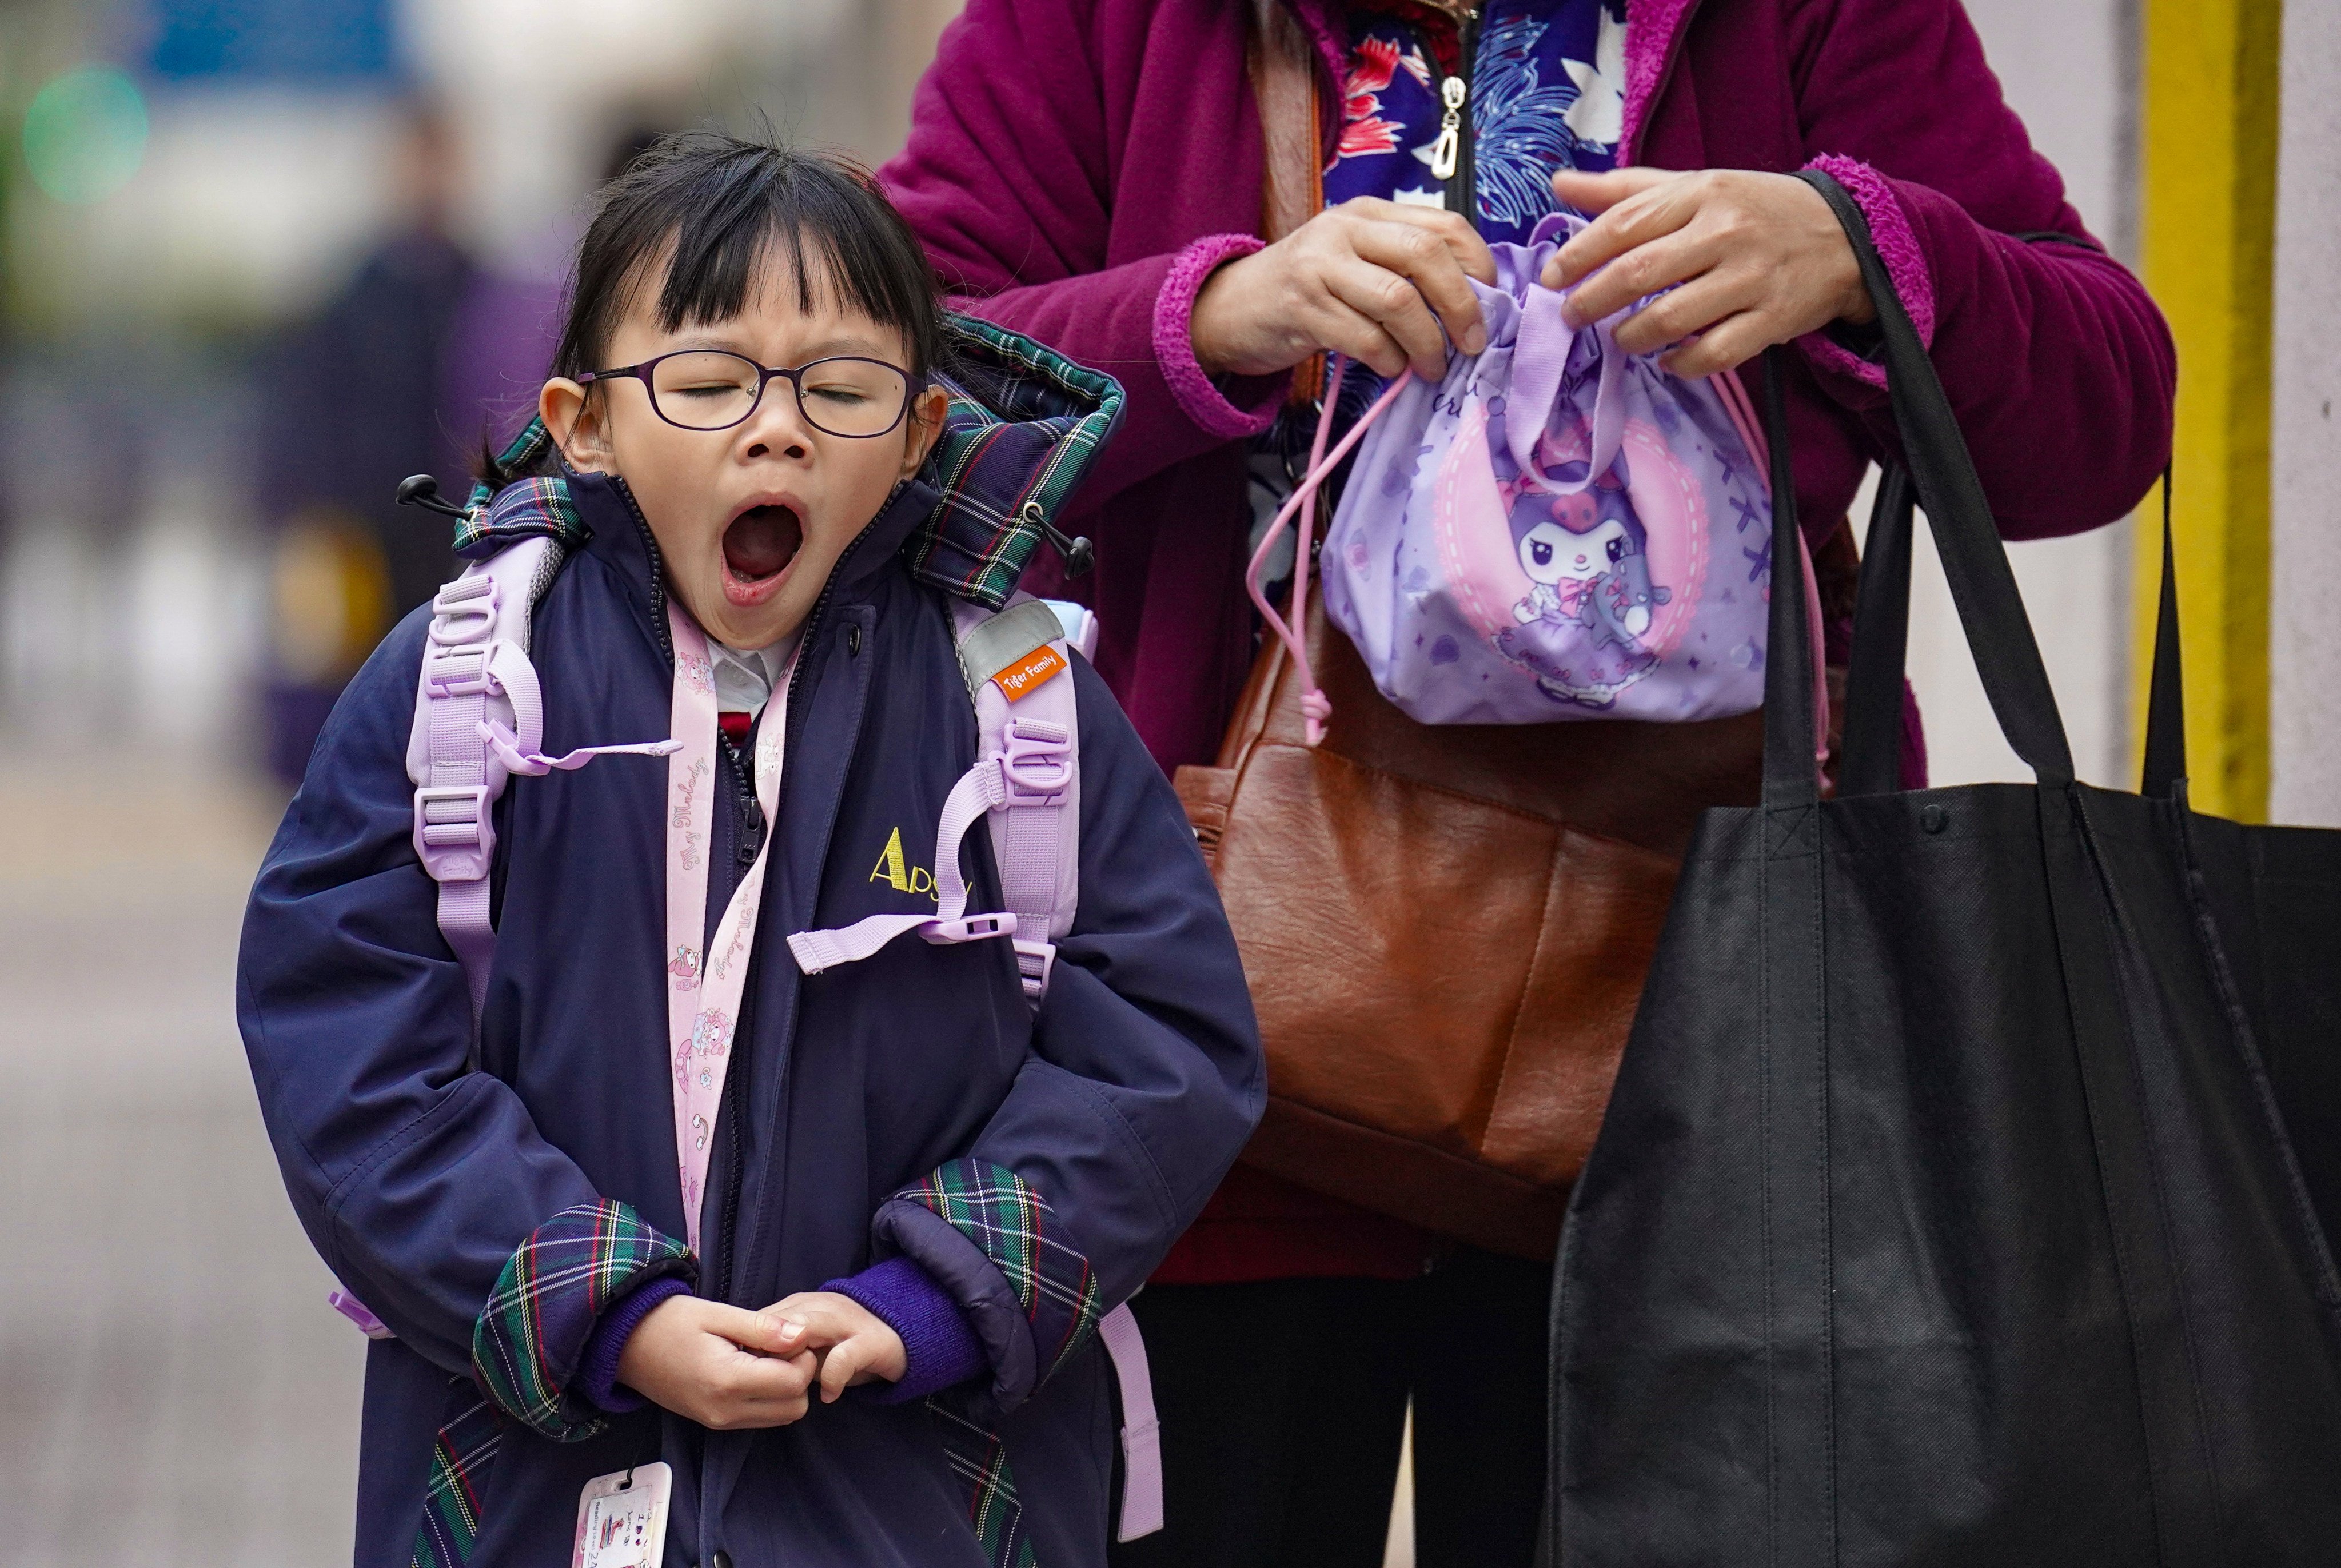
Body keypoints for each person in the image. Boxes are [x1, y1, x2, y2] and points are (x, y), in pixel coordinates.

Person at [880, 2, 2175, 1563]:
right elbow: (878, 399)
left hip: (1704, 1056)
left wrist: (1860, 250)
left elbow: (2106, 415)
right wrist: (1213, 314)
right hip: (1202, 1065)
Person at [237, 134, 1262, 1567]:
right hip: (525, 1494)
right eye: (708, 384)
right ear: (582, 422)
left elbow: (1160, 1042)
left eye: (840, 388)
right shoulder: (463, 686)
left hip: (927, 1489)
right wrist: (599, 1308)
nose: (772, 431)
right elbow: (344, 1044)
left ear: (913, 432)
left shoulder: (1017, 703)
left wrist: (935, 1298)